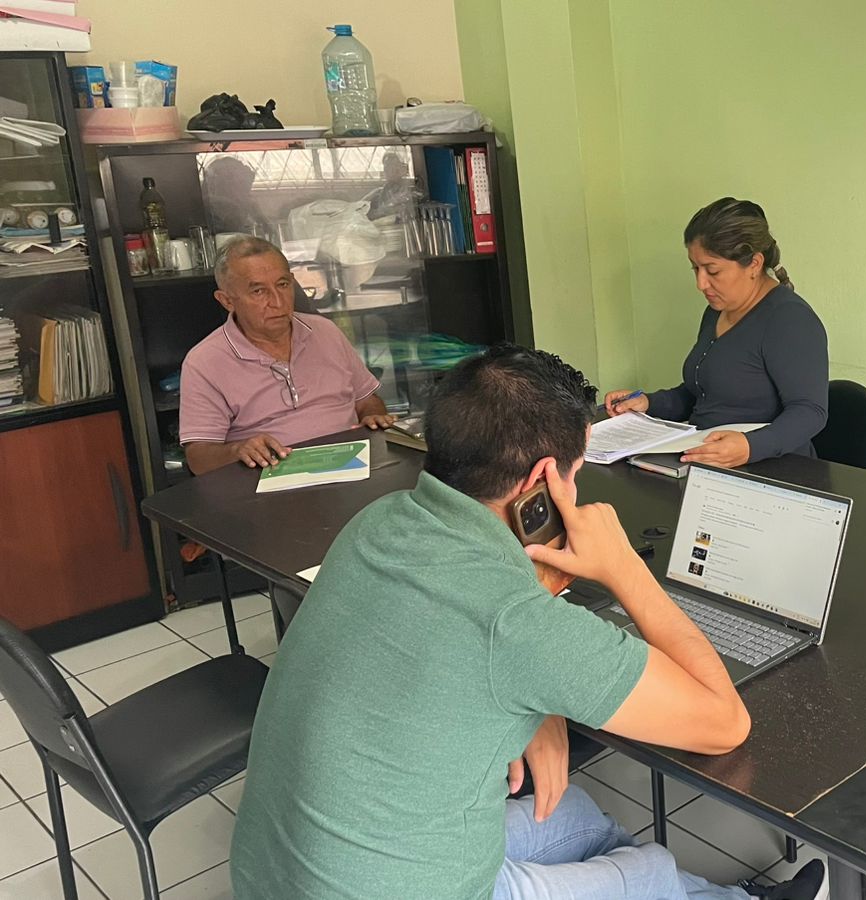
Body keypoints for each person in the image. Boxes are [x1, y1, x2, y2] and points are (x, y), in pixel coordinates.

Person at [230, 343, 825, 900]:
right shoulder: (514, 621)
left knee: (577, 817)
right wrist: (624, 569)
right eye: (575, 472)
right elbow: (724, 724)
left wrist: (539, 705)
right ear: (542, 482)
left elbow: (463, 644)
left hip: (278, 874)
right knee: (648, 870)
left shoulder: (379, 521)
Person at [604, 198, 828, 467]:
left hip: (772, 469)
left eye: (712, 270)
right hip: (705, 460)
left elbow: (810, 412)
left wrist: (749, 447)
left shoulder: (790, 319)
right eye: (695, 268)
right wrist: (648, 404)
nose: (701, 283)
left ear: (754, 264)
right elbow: (701, 394)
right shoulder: (717, 310)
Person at [178, 236, 395, 475]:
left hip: (351, 466)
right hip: (266, 479)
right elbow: (199, 458)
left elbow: (366, 400)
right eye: (258, 291)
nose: (278, 302)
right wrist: (237, 450)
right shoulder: (204, 362)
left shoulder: (325, 331)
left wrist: (373, 417)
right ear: (227, 300)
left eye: (282, 285)